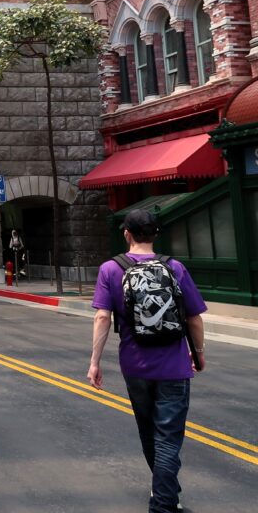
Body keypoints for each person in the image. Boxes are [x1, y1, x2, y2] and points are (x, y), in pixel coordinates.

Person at [87, 210, 207, 513]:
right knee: (168, 436)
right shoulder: (175, 267)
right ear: (155, 234)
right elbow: (193, 316)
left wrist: (94, 362)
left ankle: (165, 497)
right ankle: (165, 501)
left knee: (148, 431)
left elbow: (103, 317)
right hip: (174, 365)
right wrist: (199, 353)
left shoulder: (110, 270)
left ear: (126, 233)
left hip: (135, 365)